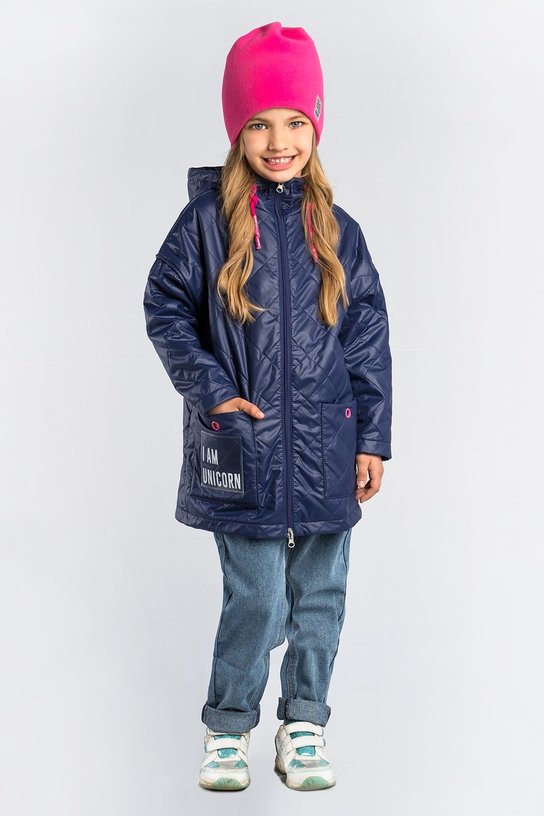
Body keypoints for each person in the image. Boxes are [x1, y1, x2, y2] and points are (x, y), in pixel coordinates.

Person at [143, 21, 393, 792]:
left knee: (320, 596)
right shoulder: (206, 226)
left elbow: (367, 341)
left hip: (327, 447)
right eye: (258, 123)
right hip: (243, 444)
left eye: (294, 122)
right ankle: (228, 728)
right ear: (236, 130)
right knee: (257, 595)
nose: (279, 141)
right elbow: (166, 309)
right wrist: (214, 392)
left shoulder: (338, 233)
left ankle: (304, 724)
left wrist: (372, 439)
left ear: (315, 126)